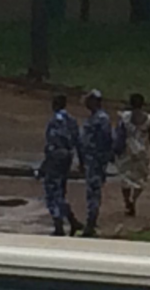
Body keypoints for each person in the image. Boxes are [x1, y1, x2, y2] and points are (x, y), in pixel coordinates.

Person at [39, 95, 83, 237]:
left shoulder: (54, 121)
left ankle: (59, 225)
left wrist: (44, 165)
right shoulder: (72, 121)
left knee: (52, 192)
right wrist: (81, 162)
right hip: (68, 157)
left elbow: (53, 144)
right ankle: (72, 220)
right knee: (60, 191)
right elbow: (78, 142)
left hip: (56, 157)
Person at [116, 94, 150, 217]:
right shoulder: (149, 120)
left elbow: (119, 135)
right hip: (142, 153)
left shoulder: (124, 118)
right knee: (140, 179)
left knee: (125, 178)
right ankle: (133, 200)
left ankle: (127, 202)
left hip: (127, 152)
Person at [80, 90, 113, 237]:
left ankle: (91, 224)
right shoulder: (95, 117)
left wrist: (102, 159)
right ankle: (91, 221)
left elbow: (106, 140)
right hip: (90, 160)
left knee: (93, 192)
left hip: (96, 161)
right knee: (92, 191)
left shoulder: (101, 119)